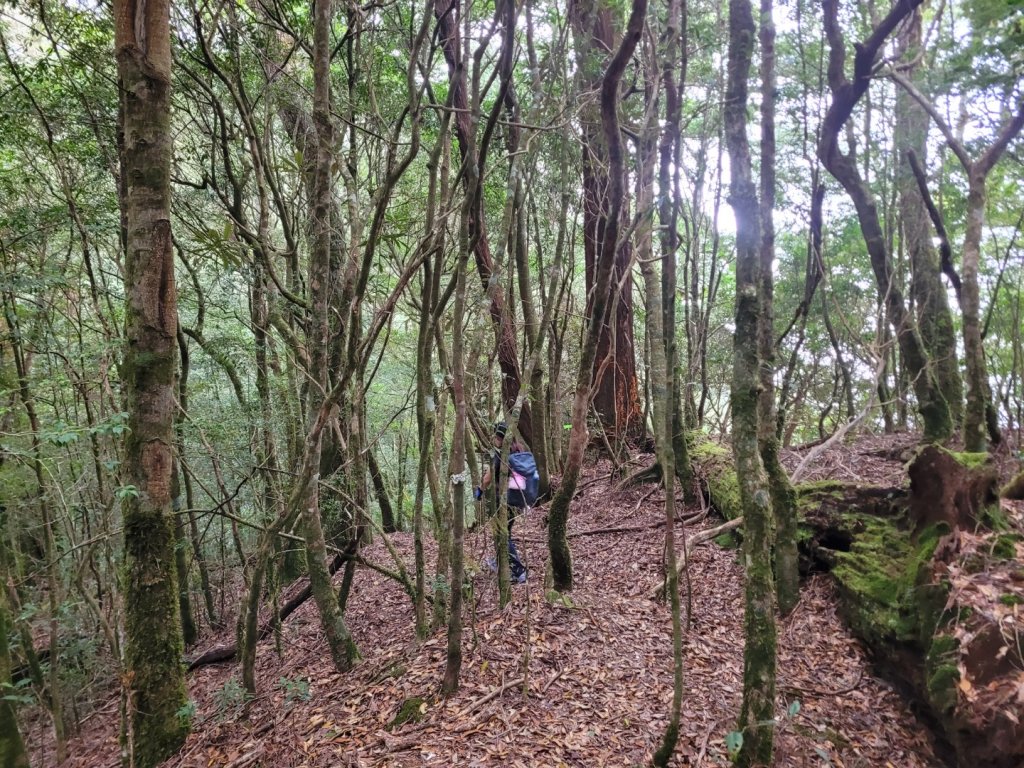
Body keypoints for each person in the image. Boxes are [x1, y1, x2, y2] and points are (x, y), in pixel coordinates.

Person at [474, 422, 528, 583]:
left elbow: (488, 478)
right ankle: (500, 563)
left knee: (503, 535)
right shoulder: (519, 451)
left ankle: (518, 571)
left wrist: (480, 491)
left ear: (501, 438)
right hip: (518, 500)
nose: (494, 439)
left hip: (505, 502)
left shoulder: (501, 456)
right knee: (504, 533)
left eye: (497, 436)